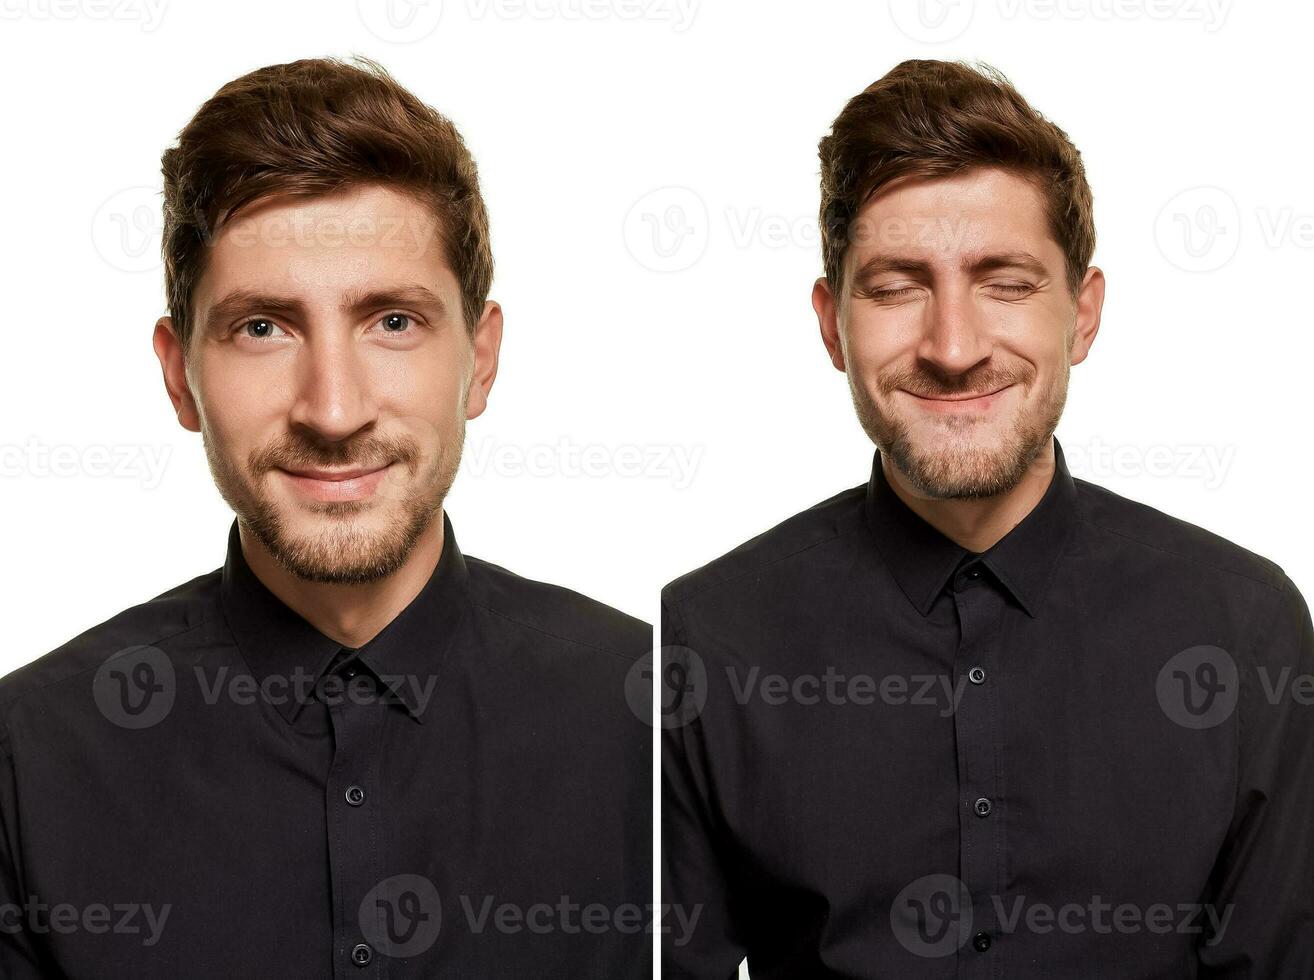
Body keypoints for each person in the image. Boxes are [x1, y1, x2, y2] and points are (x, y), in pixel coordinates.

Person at [0, 56, 651, 978]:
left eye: (392, 321)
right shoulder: (27, 761)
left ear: (484, 359)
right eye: (263, 327)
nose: (333, 409)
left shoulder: (659, 720)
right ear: (180, 374)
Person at [661, 59, 1313, 978]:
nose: (954, 347)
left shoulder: (1246, 627)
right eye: (896, 286)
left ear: (1082, 315)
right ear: (830, 322)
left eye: (1004, 281)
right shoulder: (706, 637)